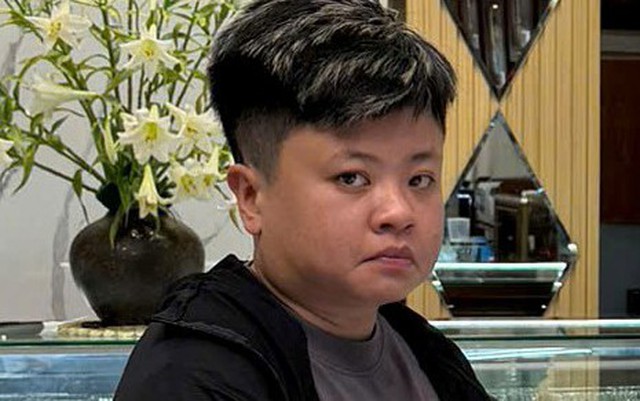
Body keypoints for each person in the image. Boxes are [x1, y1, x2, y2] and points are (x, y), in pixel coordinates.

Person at [115, 0, 494, 400]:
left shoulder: (429, 356)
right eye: (352, 178)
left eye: (419, 179)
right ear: (251, 197)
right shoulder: (191, 376)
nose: (398, 212)